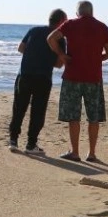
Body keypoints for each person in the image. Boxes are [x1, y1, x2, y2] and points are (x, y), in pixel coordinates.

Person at [47, 1, 108, 162]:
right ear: (92, 11)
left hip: (72, 77)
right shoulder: (102, 27)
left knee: (73, 116)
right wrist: (97, 59)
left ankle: (75, 152)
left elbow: (50, 38)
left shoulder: (70, 24)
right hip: (93, 77)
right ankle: (91, 153)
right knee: (94, 117)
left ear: (77, 13)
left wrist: (62, 55)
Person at [8, 9, 68, 154]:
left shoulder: (34, 30)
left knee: (19, 108)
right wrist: (46, 59)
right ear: (61, 22)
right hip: (43, 77)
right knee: (38, 111)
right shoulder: (60, 38)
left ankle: (13, 140)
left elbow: (21, 48)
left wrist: (33, 55)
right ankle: (31, 144)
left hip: (25, 74)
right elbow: (60, 63)